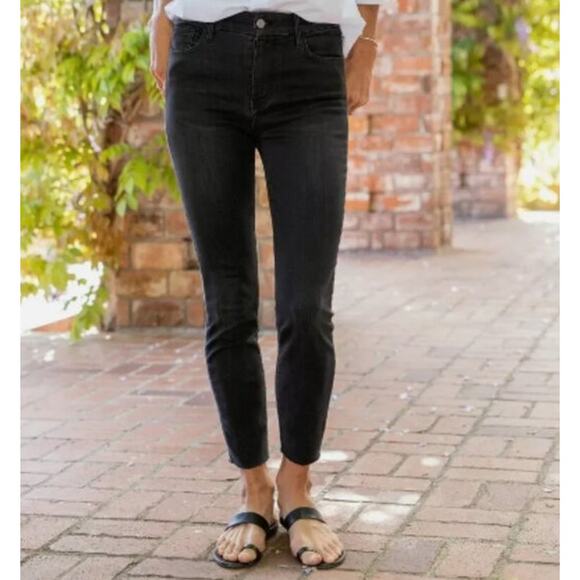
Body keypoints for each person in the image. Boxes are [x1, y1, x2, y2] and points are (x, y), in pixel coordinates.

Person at [149, 0, 381, 570]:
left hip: (310, 60)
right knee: (229, 305)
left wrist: (368, 45)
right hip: (201, 54)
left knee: (306, 307)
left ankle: (296, 484)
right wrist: (158, 16)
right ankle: (254, 488)